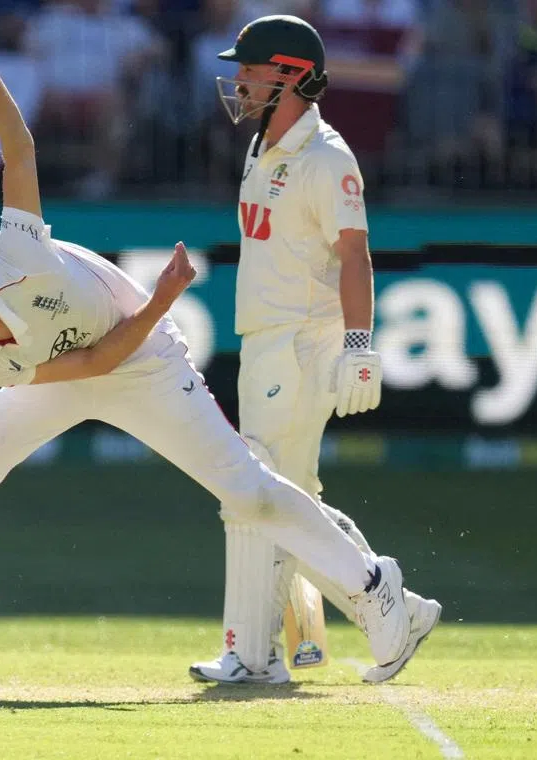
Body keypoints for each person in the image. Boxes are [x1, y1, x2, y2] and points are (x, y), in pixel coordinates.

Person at [0, 21, 413, 671]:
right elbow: (88, 366)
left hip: (146, 360)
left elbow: (19, 154)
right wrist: (158, 298)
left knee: (247, 491)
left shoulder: (17, 257)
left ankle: (378, 590)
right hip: (82, 365)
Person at [188, 15, 441, 687]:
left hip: (303, 341)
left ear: (290, 75)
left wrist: (359, 346)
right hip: (266, 340)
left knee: (256, 489)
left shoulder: (328, 158)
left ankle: (268, 645)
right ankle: (388, 608)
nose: (237, 80)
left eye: (249, 68)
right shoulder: (264, 147)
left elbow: (354, 255)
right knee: (284, 493)